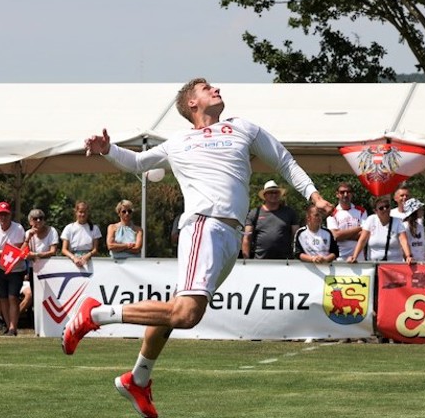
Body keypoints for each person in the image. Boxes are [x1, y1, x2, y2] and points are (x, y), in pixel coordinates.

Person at [65, 78, 333, 418]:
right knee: (186, 314)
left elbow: (284, 161)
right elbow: (137, 163)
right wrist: (107, 148)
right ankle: (95, 314)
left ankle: (139, 378)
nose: (216, 88)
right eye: (206, 88)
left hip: (231, 238)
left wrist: (313, 195)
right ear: (192, 103)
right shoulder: (179, 141)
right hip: (204, 225)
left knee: (177, 310)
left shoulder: (243, 127)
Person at [0, 201, 26, 336]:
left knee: (12, 297)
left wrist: (2, 253)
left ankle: (13, 327)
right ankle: (9, 327)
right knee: (2, 297)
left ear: (10, 215)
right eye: (1, 215)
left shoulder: (18, 228)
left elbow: (20, 250)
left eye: (6, 215)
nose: (3, 218)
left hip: (16, 269)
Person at [242, 180, 300, 259]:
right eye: (270, 192)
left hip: (285, 262)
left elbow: (297, 236)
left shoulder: (290, 213)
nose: (274, 195)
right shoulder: (254, 213)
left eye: (276, 192)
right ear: (265, 195)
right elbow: (246, 238)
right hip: (260, 261)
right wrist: (246, 261)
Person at [349, 196, 412, 263]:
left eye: (387, 206)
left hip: (394, 264)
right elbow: (362, 240)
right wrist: (354, 256)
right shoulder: (371, 220)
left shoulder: (398, 221)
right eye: (381, 208)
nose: (385, 209)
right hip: (374, 264)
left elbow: (403, 240)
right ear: (375, 211)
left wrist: (408, 256)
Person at [326, 181, 367, 261]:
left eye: (348, 192)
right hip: (339, 257)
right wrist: (359, 228)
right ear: (337, 194)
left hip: (359, 257)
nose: (345, 195)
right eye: (342, 192)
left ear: (352, 194)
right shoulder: (332, 212)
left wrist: (343, 235)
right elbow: (336, 236)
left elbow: (364, 235)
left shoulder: (361, 211)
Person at [61, 201, 102, 268]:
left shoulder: (95, 228)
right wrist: (74, 258)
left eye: (85, 212)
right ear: (76, 212)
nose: (82, 214)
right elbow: (64, 249)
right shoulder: (69, 228)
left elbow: (95, 249)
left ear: (88, 213)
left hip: (90, 261)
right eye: (80, 212)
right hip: (73, 261)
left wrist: (87, 256)